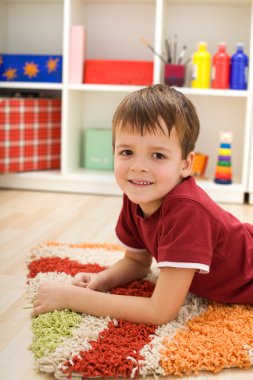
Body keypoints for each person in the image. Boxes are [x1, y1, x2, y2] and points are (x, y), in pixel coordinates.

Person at [32, 84, 253, 325]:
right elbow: (137, 263)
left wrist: (72, 298)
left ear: (186, 164)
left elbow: (160, 311)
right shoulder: (137, 195)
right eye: (126, 152)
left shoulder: (188, 211)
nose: (138, 166)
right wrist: (102, 280)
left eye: (157, 155)